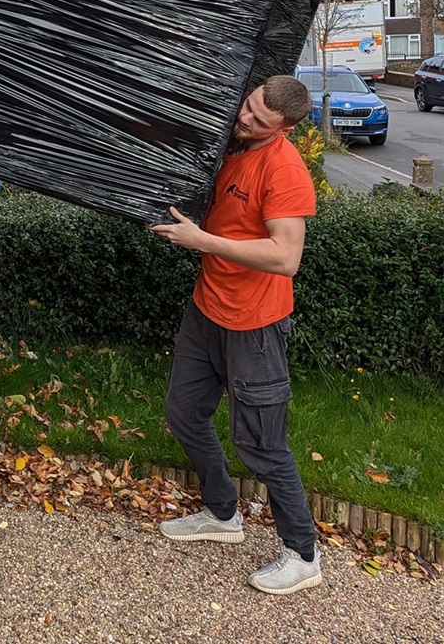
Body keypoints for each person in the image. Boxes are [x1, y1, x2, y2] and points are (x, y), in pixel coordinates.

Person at [148, 75, 322, 596]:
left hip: (256, 325)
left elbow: (286, 257)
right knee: (183, 413)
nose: (244, 119)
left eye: (259, 121)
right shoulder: (234, 136)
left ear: (284, 129)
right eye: (248, 107)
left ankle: (302, 554)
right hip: (208, 310)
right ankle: (222, 514)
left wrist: (203, 240)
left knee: (263, 446)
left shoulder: (284, 169)